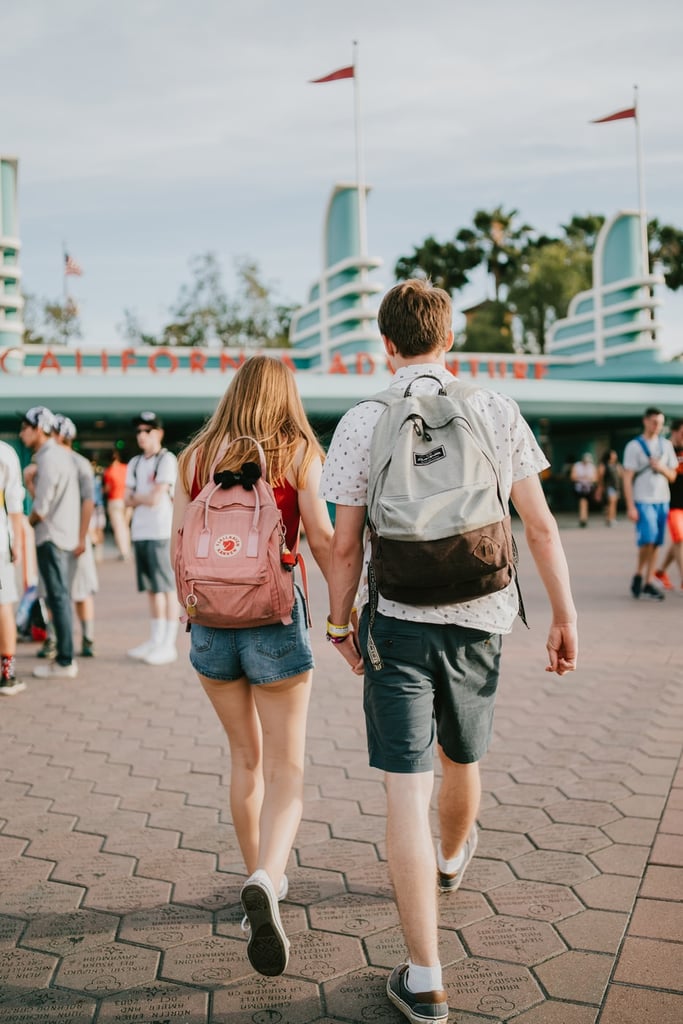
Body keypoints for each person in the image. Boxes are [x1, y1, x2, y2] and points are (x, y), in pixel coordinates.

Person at [320, 280, 577, 1024]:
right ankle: (452, 861)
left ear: (387, 345)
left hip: (396, 618)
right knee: (461, 758)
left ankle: (425, 977)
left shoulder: (362, 420)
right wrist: (563, 616)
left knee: (405, 787)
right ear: (448, 340)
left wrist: (340, 625)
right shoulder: (493, 408)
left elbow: (342, 546)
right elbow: (539, 525)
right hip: (481, 614)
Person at [171, 355, 333, 978]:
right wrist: (344, 617)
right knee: (288, 764)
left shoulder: (195, 458)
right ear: (286, 395)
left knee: (246, 760)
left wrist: (194, 609)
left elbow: (177, 549)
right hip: (274, 621)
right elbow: (320, 539)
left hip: (211, 625)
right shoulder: (296, 454)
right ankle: (269, 875)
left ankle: (255, 890)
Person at [19, 406, 81, 679]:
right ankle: (65, 658)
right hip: (62, 536)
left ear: (38, 429)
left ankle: (65, 661)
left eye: (24, 428)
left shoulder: (48, 457)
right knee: (60, 598)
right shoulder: (57, 455)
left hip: (52, 538)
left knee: (58, 599)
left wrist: (24, 524)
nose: (21, 433)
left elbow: (41, 508)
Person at [125, 412, 179, 665]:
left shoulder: (167, 460)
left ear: (158, 433)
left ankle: (168, 643)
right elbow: (126, 498)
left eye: (147, 430)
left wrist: (139, 498)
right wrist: (141, 498)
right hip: (141, 531)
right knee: (151, 589)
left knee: (165, 587)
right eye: (138, 431)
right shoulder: (135, 463)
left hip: (160, 531)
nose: (141, 435)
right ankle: (156, 639)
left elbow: (154, 498)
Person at [53, 416, 99, 657]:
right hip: (61, 537)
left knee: (78, 590)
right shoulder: (48, 462)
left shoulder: (78, 464)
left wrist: (82, 537)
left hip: (75, 538)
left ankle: (87, 638)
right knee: (58, 590)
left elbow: (88, 501)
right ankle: (58, 639)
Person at [622, 407, 678, 601]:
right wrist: (630, 505)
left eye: (660, 424)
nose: (657, 427)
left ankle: (647, 581)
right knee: (647, 539)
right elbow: (627, 477)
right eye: (654, 422)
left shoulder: (666, 446)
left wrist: (661, 468)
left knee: (656, 542)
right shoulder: (634, 446)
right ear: (645, 421)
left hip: (662, 499)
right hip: (643, 499)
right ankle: (639, 573)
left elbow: (672, 476)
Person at [0, 440, 26, 695]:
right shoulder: (5, 453)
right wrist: (17, 542)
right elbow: (14, 503)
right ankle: (7, 674)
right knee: (3, 603)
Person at [654, 418, 683, 590]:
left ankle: (660, 572)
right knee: (679, 539)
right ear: (674, 431)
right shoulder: (665, 450)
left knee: (679, 541)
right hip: (671, 502)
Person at [102, 449, 131, 560]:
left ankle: (123, 552)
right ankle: (127, 549)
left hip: (115, 501)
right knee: (126, 527)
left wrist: (102, 490)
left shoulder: (109, 471)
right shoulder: (126, 468)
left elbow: (108, 488)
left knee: (119, 528)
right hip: (127, 500)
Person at [570, 452, 597, 527]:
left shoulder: (592, 467)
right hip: (580, 487)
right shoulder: (577, 466)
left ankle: (584, 517)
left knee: (585, 503)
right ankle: (583, 518)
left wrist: (588, 479)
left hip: (589, 488)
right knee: (583, 501)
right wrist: (582, 478)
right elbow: (573, 477)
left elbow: (595, 478)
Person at [596, 449, 622, 527]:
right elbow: (600, 476)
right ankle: (610, 519)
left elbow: (621, 474)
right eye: (613, 454)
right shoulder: (604, 465)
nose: (615, 456)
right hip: (608, 486)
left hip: (616, 486)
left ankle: (611, 518)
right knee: (611, 502)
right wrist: (600, 487)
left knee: (613, 503)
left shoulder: (616, 465)